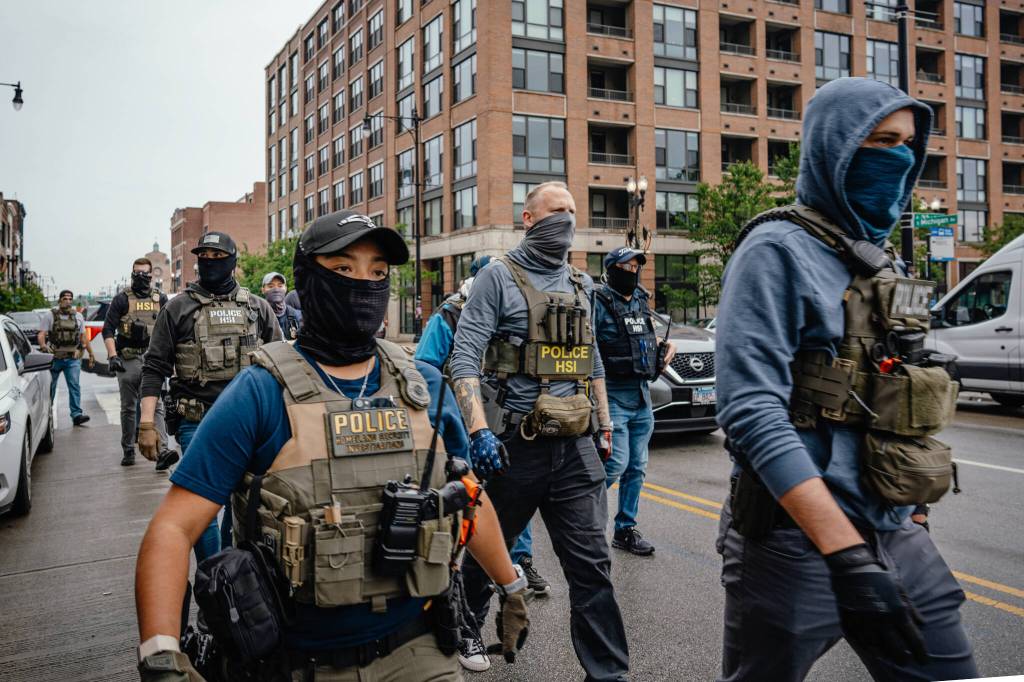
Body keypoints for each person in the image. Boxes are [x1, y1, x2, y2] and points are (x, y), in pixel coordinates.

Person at [134, 211, 529, 681]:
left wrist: (511, 584)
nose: (364, 284)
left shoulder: (423, 385)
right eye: (343, 268)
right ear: (307, 281)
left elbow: (467, 496)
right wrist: (161, 653)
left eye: (377, 272)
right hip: (296, 662)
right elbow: (173, 528)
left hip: (420, 649)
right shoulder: (260, 393)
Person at [715, 77, 977, 681]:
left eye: (908, 145)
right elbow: (751, 411)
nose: (899, 158)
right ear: (834, 146)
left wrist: (912, 512)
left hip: (893, 528)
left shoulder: (883, 259)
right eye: (880, 142)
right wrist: (847, 556)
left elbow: (897, 389)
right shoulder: (775, 249)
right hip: (791, 541)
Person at [451, 181, 629, 680]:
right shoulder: (497, 278)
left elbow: (592, 359)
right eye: (556, 211)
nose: (567, 219)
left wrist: (605, 425)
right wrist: (479, 432)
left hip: (575, 446)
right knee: (488, 553)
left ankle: (608, 673)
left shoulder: (581, 284)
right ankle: (466, 627)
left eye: (572, 210)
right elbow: (464, 358)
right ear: (528, 219)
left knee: (592, 566)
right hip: (514, 446)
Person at [137, 232, 281, 561]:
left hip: (250, 424)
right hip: (196, 420)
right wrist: (146, 423)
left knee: (246, 502)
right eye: (205, 256)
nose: (210, 262)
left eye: (218, 256)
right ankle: (212, 573)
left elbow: (280, 363)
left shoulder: (256, 307)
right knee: (201, 510)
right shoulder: (178, 308)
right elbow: (155, 367)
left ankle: (237, 569)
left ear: (232, 262)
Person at [593, 247, 676, 556]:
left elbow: (643, 338)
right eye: (625, 266)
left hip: (641, 395)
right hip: (613, 395)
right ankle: (578, 515)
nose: (632, 271)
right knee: (616, 463)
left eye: (635, 266)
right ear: (611, 269)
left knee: (637, 467)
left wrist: (664, 349)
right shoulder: (598, 301)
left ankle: (625, 529)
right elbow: (589, 347)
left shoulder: (640, 299)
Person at [103, 258, 176, 468]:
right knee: (128, 407)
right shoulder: (122, 299)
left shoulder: (160, 299)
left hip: (152, 358)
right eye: (137, 274)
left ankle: (162, 452)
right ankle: (128, 449)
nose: (140, 277)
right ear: (132, 274)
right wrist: (113, 356)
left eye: (144, 274)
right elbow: (108, 330)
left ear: (151, 275)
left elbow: (169, 329)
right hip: (127, 358)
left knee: (157, 405)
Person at [38, 289, 95, 426]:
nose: (68, 301)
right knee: (51, 386)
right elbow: (41, 334)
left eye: (70, 299)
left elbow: (83, 337)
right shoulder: (50, 315)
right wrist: (43, 346)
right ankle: (48, 413)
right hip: (54, 358)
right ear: (59, 300)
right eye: (65, 299)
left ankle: (76, 415)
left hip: (72, 358)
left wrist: (91, 353)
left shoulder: (78, 316)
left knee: (74, 385)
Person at [262, 270, 302, 340]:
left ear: (285, 288)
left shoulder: (297, 316)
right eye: (271, 286)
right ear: (263, 290)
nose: (276, 289)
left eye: (280, 286)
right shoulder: (258, 317)